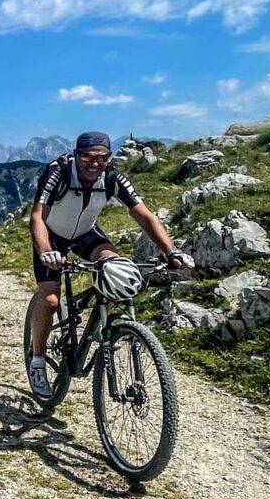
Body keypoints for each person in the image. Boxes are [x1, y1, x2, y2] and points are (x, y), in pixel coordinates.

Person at [27, 131, 191, 396]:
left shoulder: (113, 178)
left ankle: (104, 329)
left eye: (102, 158)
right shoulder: (58, 172)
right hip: (51, 236)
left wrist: (171, 252)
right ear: (77, 155)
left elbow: (146, 217)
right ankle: (37, 360)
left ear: (109, 157)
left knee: (118, 273)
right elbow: (37, 217)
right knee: (50, 301)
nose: (95, 163)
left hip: (86, 235)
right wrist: (46, 251)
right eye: (88, 157)